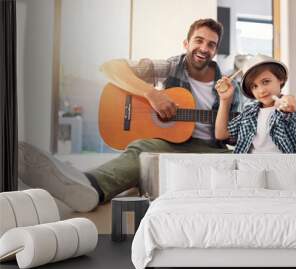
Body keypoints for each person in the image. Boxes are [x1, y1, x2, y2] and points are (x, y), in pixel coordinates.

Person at [19, 18, 241, 212]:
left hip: (208, 148)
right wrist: (151, 93)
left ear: (215, 51)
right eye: (199, 40)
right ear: (186, 44)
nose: (204, 48)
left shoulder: (230, 85)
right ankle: (88, 185)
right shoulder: (172, 66)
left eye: (211, 44)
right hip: (172, 143)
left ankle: (88, 186)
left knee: (238, 163)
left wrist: (228, 105)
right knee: (143, 150)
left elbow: (232, 134)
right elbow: (111, 67)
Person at [215, 54, 296, 154]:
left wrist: (287, 100)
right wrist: (225, 99)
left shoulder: (284, 108)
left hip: (283, 166)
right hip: (253, 166)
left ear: (280, 79)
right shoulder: (249, 112)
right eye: (254, 86)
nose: (261, 90)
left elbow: (292, 106)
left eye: (266, 82)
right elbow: (221, 134)